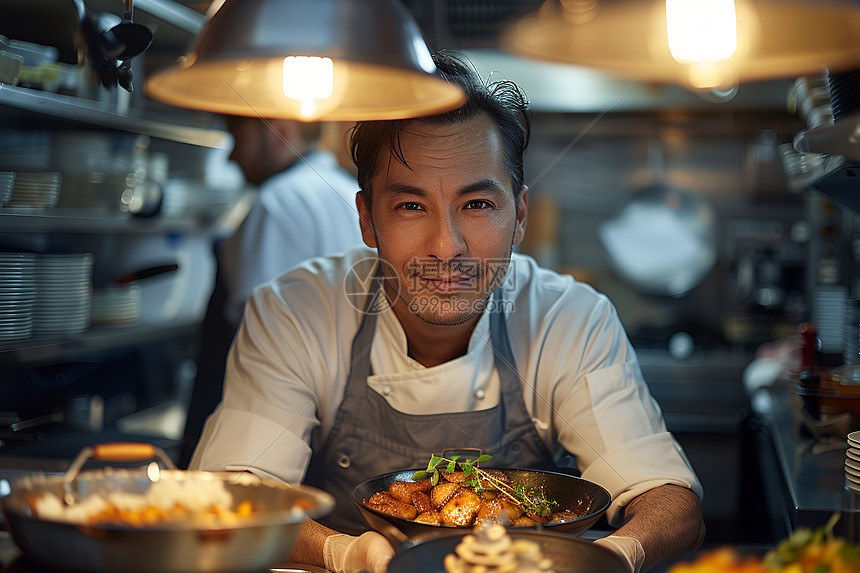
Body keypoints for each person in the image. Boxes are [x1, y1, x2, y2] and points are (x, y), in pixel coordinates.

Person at [190, 52, 705, 573]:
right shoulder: (295, 310)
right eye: (411, 206)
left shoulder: (569, 318)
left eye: (477, 205)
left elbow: (670, 501)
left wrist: (606, 560)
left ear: (519, 214)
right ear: (367, 220)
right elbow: (231, 495)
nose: (446, 247)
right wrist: (344, 553)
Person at [180, 115, 364, 467]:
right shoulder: (343, 186)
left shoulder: (277, 201)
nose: (232, 157)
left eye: (238, 136)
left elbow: (252, 324)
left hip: (276, 414)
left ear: (279, 132)